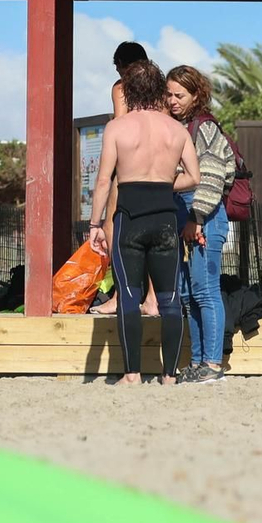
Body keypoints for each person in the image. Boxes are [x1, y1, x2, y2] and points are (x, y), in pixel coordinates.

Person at [88, 62, 190, 385]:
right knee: (169, 299)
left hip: (129, 219)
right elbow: (194, 177)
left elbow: (103, 181)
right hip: (164, 220)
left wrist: (94, 224)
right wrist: (163, 185)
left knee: (129, 297)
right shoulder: (177, 130)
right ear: (160, 91)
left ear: (128, 92)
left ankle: (132, 374)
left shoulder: (118, 128)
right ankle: (169, 375)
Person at [167, 66, 233, 383]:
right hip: (186, 217)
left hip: (204, 215)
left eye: (179, 95)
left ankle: (213, 363)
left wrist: (197, 218)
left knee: (205, 291)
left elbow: (212, 178)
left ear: (196, 95)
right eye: (168, 94)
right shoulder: (177, 127)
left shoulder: (204, 128)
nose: (172, 100)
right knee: (187, 294)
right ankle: (196, 361)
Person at [110, 41, 149, 118]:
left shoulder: (121, 87)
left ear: (120, 63)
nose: (116, 69)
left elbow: (120, 119)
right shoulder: (160, 85)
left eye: (116, 65)